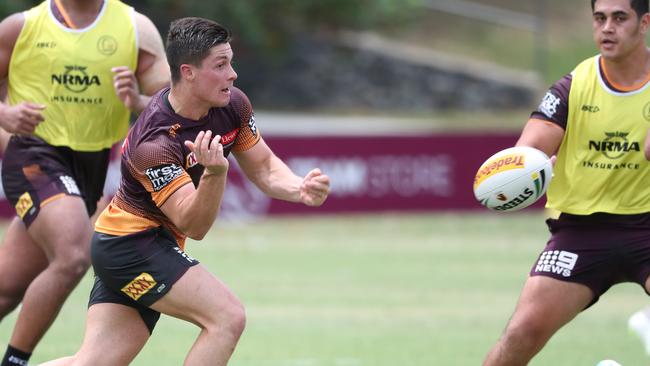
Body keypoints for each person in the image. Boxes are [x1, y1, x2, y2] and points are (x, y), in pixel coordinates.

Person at [38, 16, 331, 366]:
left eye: (231, 62)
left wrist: (299, 187)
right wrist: (215, 173)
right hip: (130, 246)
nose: (233, 74)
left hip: (140, 245)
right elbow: (195, 225)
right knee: (226, 317)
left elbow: (265, 167)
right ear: (188, 71)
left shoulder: (232, 104)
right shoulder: (155, 144)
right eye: (221, 65)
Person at [0, 0, 170, 364]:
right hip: (34, 153)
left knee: (7, 287)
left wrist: (137, 98)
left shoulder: (135, 28)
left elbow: (173, 104)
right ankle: (15, 360)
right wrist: (6, 114)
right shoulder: (21, 26)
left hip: (90, 166)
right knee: (74, 254)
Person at [483, 0, 650, 365]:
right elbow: (527, 149)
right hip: (582, 229)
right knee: (520, 334)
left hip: (647, 224)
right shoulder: (572, 86)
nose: (607, 27)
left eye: (620, 18)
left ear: (644, 23)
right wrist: (528, 168)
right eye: (600, 18)